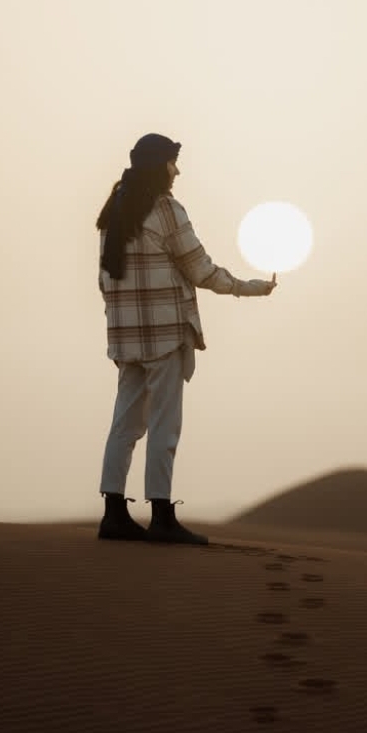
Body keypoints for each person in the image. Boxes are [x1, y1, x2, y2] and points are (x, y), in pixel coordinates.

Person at [95, 133, 277, 544]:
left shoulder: (112, 213)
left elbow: (104, 280)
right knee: (164, 426)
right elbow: (202, 271)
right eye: (172, 163)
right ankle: (161, 516)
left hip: (126, 338)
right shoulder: (165, 210)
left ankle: (113, 514)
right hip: (164, 336)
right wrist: (250, 287)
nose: (177, 171)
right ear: (158, 165)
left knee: (124, 425)